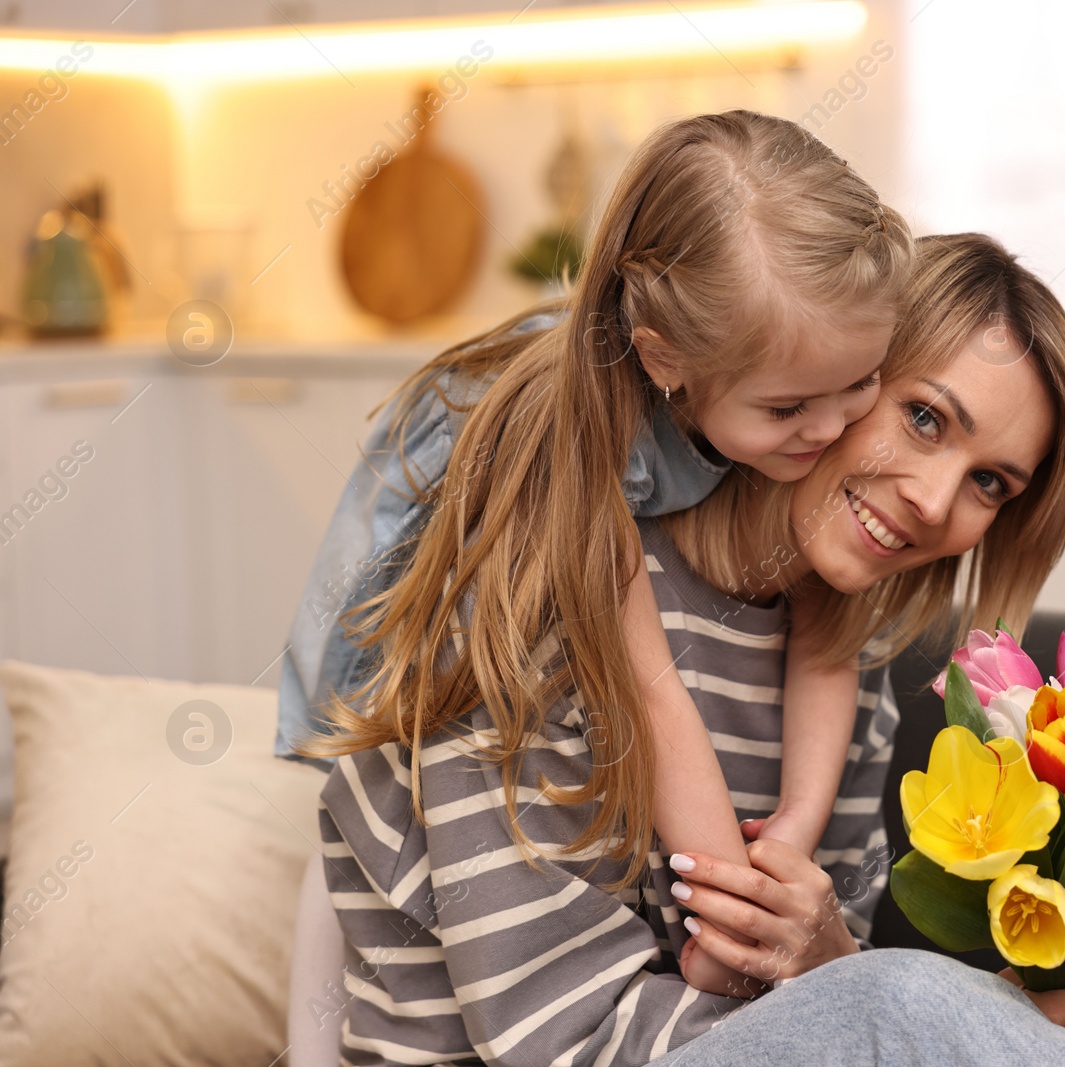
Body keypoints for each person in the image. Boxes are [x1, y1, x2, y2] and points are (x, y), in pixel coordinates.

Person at [303, 234, 1065, 1065]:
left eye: (990, 483)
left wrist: (826, 954)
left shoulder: (847, 670)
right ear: (832, 375)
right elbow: (556, 1032)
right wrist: (897, 1003)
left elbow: (816, 1004)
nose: (937, 501)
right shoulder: (544, 588)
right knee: (904, 998)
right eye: (924, 417)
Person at [279, 110, 915, 1000]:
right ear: (666, 362)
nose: (832, 428)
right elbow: (654, 700)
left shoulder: (756, 382)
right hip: (398, 591)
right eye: (787, 410)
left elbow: (826, 624)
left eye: (861, 383)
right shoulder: (576, 461)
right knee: (361, 805)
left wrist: (792, 835)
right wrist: (728, 915)